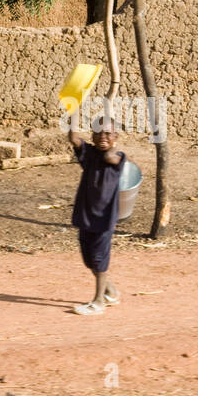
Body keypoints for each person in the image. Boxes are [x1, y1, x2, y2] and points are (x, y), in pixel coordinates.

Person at [68, 115, 126, 315]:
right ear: (92, 135)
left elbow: (110, 157)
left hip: (104, 219)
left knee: (99, 259)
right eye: (99, 133)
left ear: (116, 136)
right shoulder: (89, 154)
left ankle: (98, 301)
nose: (103, 136)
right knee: (89, 260)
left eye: (108, 133)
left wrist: (109, 145)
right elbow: (73, 138)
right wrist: (74, 114)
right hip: (85, 216)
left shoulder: (118, 157)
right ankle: (111, 292)